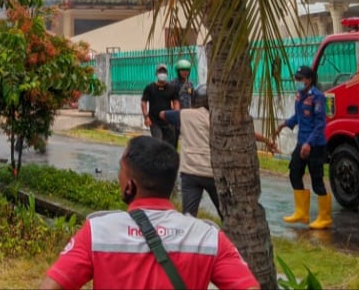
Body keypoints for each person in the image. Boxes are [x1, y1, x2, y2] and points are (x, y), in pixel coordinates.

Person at [40, 136, 259, 290]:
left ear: (130, 185)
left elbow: (52, 286)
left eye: (120, 171)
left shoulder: (98, 232)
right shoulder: (207, 237)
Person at [160, 85, 278, 217]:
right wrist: (267, 141)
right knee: (225, 214)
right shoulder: (220, 119)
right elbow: (248, 133)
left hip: (190, 171)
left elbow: (163, 114)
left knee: (188, 216)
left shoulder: (184, 115)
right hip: (213, 172)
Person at [273, 66, 331, 229]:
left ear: (309, 80)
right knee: (294, 173)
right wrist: (284, 124)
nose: (297, 82)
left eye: (300, 79)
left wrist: (309, 144)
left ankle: (324, 217)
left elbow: (320, 125)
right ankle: (301, 212)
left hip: (316, 144)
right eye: (296, 78)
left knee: (316, 179)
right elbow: (298, 117)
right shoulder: (300, 96)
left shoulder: (317, 97)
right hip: (302, 142)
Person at [141, 63, 180, 145]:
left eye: (164, 72)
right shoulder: (150, 88)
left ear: (167, 74)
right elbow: (144, 102)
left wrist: (176, 115)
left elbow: (176, 102)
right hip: (154, 122)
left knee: (170, 145)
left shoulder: (172, 88)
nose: (162, 74)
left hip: (168, 122)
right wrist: (146, 117)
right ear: (156, 74)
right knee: (158, 143)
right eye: (160, 71)